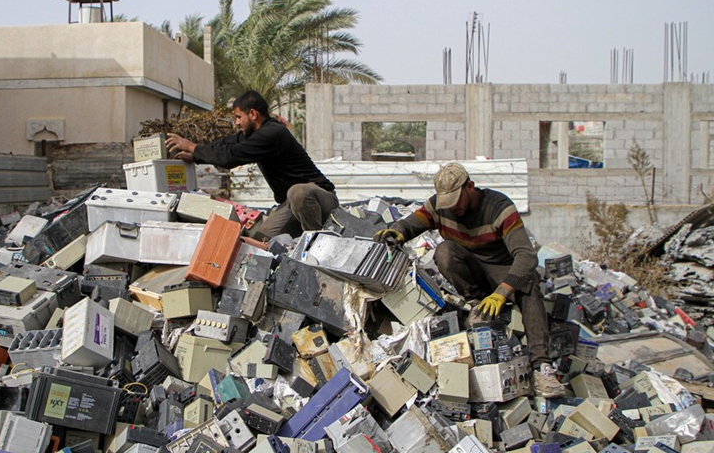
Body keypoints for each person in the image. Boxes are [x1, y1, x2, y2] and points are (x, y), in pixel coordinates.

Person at [374, 162, 566, 398]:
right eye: (447, 204)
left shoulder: (500, 208)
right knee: (444, 251)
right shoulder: (439, 207)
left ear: (470, 187)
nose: (452, 209)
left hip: (503, 269)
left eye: (456, 202)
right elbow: (412, 223)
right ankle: (476, 304)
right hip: (471, 268)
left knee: (530, 288)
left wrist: (503, 291)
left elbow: (526, 256)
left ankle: (541, 367)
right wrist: (397, 231)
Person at [166, 90, 339, 240]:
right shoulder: (253, 134)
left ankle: (317, 245)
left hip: (321, 199)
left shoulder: (272, 134)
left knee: (298, 191)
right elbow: (225, 145)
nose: (237, 122)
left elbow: (230, 157)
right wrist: (195, 156)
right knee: (261, 240)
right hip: (291, 205)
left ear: (253, 114)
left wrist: (191, 146)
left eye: (239, 117)